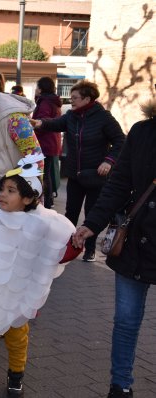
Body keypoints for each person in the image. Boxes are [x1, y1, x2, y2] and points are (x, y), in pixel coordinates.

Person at [0, 154, 78, 398]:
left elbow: (58, 252)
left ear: (28, 198)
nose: (3, 195)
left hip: (19, 294)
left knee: (17, 336)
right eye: (2, 189)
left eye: (11, 191)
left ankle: (15, 376)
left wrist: (76, 245)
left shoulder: (42, 224)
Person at [72, 100, 156, 398]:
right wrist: (91, 223)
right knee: (126, 320)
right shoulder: (143, 131)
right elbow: (119, 183)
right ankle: (120, 385)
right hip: (136, 240)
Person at [30, 80, 125, 262]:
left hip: (96, 176)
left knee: (91, 214)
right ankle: (69, 246)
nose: (71, 101)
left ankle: (89, 249)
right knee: (71, 212)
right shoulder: (72, 116)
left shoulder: (103, 117)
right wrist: (38, 123)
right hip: (75, 174)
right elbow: (55, 124)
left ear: (87, 98)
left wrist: (108, 161)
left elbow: (120, 141)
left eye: (75, 98)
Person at [32, 77, 62, 209]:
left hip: (45, 143)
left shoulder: (45, 102)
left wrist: (32, 134)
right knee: (47, 174)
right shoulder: (53, 101)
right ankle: (49, 201)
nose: (36, 89)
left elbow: (41, 123)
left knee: (43, 175)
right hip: (52, 143)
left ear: (41, 88)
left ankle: (47, 202)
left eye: (37, 86)